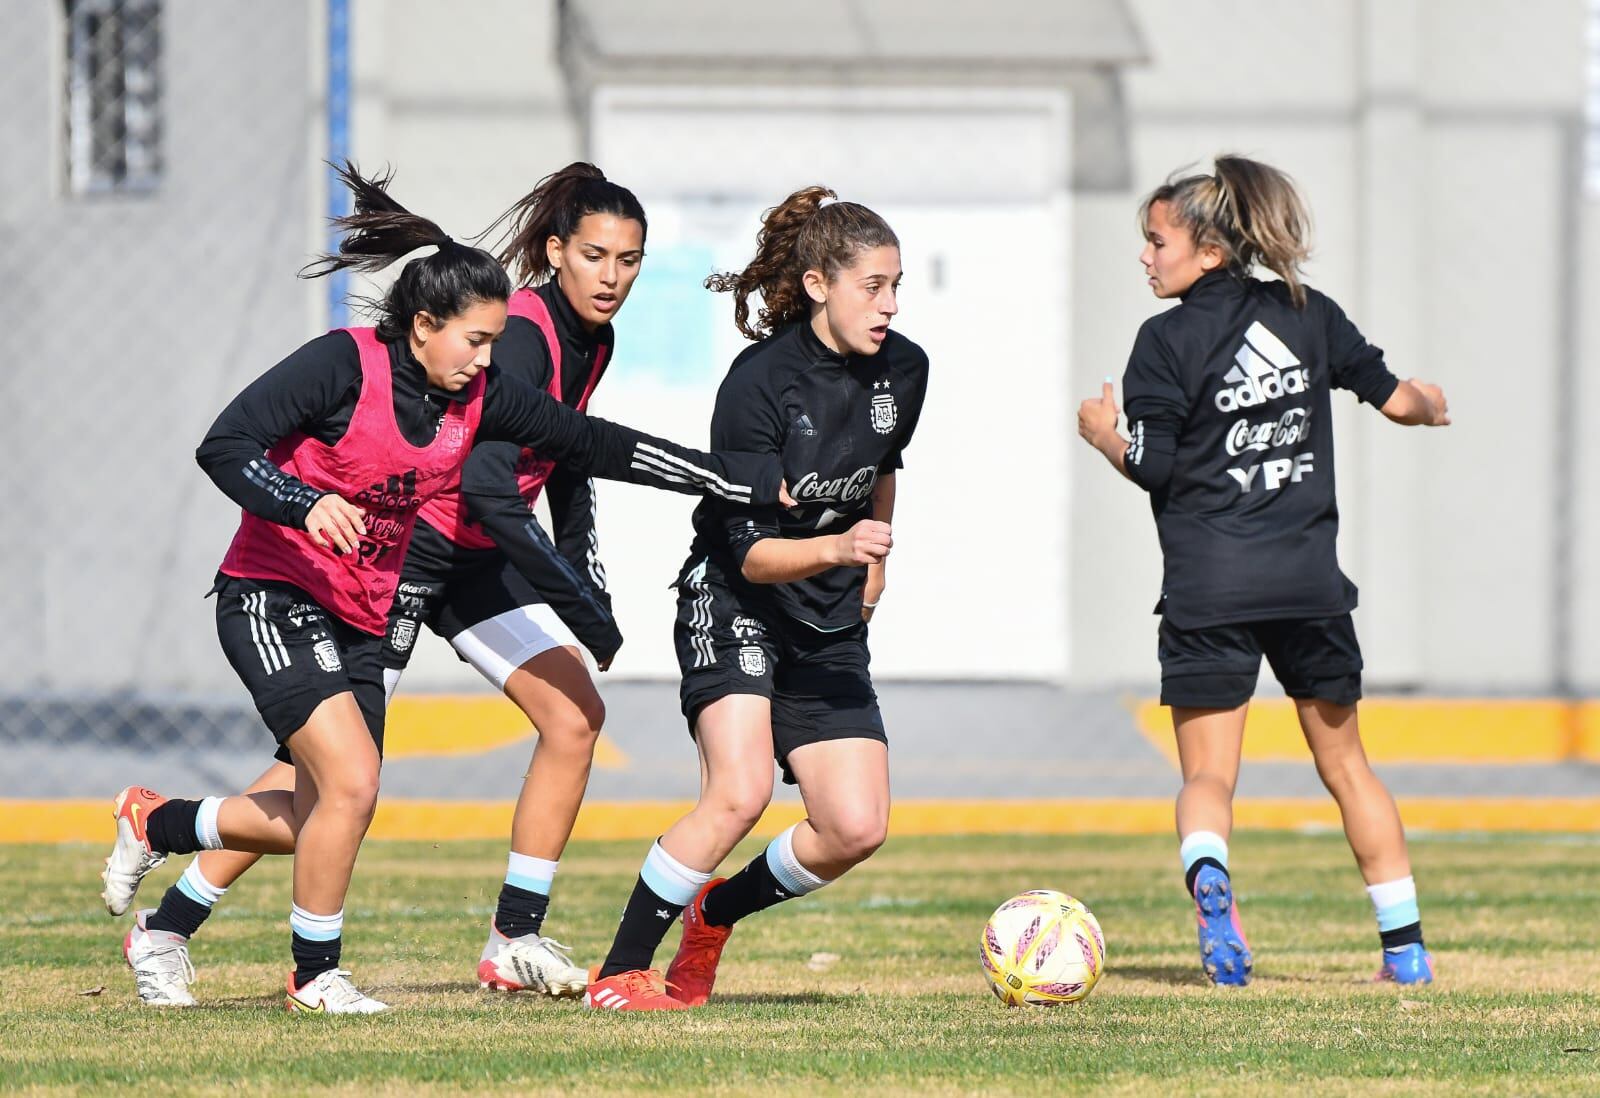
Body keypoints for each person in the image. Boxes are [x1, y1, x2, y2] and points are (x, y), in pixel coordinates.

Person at [101, 163, 788, 1014]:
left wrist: (733, 484)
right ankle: (218, 925)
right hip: (346, 575)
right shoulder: (407, 356)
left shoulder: (516, 368)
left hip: (413, 578)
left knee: (505, 737)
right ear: (550, 254)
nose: (614, 275)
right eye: (596, 255)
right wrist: (310, 502)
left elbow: (587, 450)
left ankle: (505, 937)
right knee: (333, 786)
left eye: (631, 259)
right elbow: (237, 447)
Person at [1075, 155, 1449, 987]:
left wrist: (1105, 433)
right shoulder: (1306, 314)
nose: (1145, 255)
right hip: (1309, 585)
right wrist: (1431, 404)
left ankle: (1212, 881)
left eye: (1156, 239)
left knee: (1209, 775)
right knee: (1349, 768)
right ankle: (1406, 951)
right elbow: (1395, 398)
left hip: (1210, 588)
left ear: (1209, 251)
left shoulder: (1164, 342)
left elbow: (1157, 468)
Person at [583, 187, 928, 1011]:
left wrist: (870, 561)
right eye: (871, 286)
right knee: (738, 793)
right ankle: (621, 970)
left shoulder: (906, 367)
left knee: (855, 827)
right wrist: (842, 547)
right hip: (737, 596)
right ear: (818, 285)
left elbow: (880, 464)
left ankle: (715, 914)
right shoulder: (758, 384)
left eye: (896, 285)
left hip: (828, 613)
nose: (888, 304)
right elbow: (756, 551)